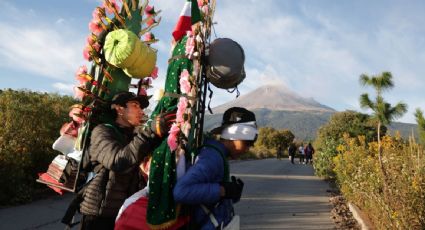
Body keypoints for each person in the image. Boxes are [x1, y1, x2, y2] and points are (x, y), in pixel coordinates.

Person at [78, 91, 173, 230]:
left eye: (141, 107)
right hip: (101, 213)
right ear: (119, 109)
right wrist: (150, 132)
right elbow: (118, 161)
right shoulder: (102, 131)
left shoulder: (135, 135)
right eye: (135, 106)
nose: (141, 111)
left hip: (126, 211)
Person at [173, 107, 258, 229]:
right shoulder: (212, 158)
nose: (248, 149)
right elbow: (181, 192)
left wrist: (231, 194)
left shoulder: (218, 154)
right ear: (234, 137)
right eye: (247, 143)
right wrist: (223, 190)